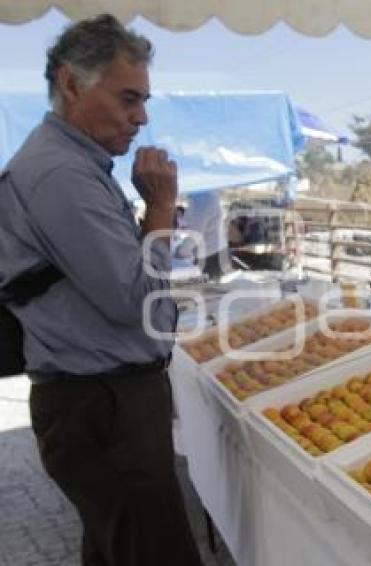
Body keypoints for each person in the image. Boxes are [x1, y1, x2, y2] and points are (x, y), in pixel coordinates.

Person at [0, 14, 202, 566]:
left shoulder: (76, 166)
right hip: (104, 406)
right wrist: (161, 206)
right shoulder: (59, 173)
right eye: (128, 98)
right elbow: (140, 303)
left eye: (144, 100)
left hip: (99, 401)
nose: (141, 117)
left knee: (118, 547)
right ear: (70, 83)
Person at [183, 189, 229, 278]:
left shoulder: (202, 199)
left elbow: (196, 233)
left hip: (210, 256)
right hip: (214, 252)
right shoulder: (207, 195)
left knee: (206, 290)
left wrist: (182, 250)